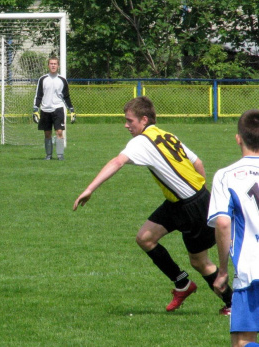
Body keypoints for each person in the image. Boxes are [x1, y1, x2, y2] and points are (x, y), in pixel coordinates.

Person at [73, 96, 232, 314]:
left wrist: (90, 188)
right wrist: (202, 193)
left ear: (144, 119)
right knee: (145, 238)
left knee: (200, 261)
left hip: (192, 206)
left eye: (130, 121)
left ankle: (232, 304)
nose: (126, 125)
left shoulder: (142, 141)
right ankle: (182, 283)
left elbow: (117, 161)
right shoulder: (165, 134)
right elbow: (198, 163)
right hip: (183, 201)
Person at [208, 109, 259, 347]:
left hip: (251, 271)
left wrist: (222, 270)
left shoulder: (226, 176)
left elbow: (222, 222)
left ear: (238, 138)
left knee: (242, 341)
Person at [33, 56, 76, 160]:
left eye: (55, 64)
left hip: (58, 109)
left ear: (58, 66)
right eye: (51, 64)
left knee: (59, 132)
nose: (53, 65)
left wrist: (71, 110)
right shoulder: (43, 79)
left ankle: (60, 155)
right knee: (47, 133)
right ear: (48, 65)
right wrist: (35, 110)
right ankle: (48, 155)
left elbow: (66, 96)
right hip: (45, 109)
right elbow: (38, 95)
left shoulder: (62, 80)